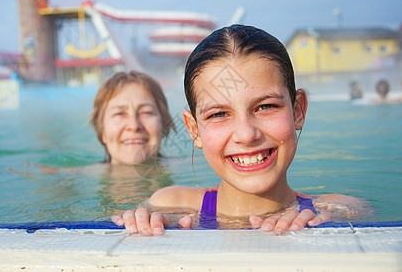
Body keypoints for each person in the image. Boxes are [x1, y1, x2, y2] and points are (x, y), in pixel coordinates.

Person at [112, 25, 365, 236]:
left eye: (266, 106)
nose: (246, 134)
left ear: (298, 111)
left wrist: (325, 226)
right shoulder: (168, 205)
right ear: (194, 130)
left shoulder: (340, 209)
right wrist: (143, 223)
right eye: (219, 114)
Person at [89, 71, 175, 165]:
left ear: (164, 124)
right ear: (102, 131)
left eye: (146, 112)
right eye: (119, 114)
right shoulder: (76, 177)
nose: (134, 126)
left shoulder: (191, 169)